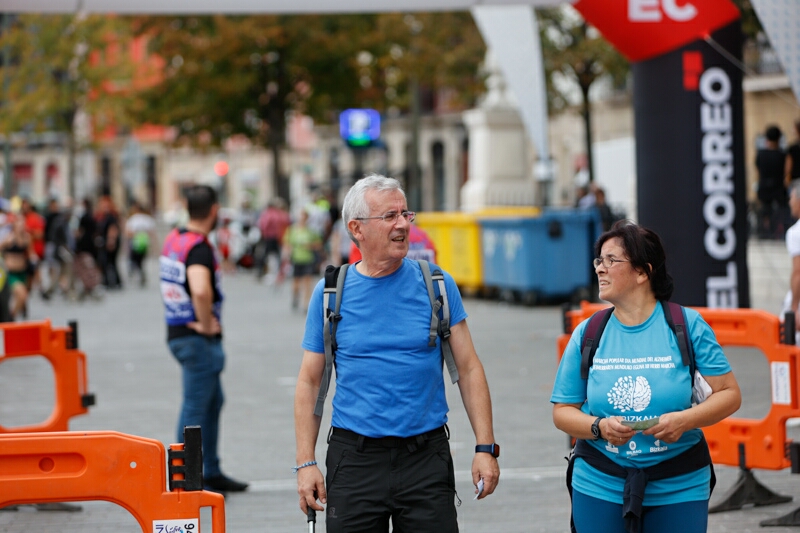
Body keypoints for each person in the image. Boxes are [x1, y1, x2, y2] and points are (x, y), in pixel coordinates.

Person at [294, 174, 500, 532]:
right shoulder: (330, 294)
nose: (403, 224)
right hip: (354, 461)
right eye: (390, 216)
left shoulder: (437, 285)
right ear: (356, 228)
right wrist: (305, 462)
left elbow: (468, 369)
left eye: (406, 214)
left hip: (425, 459)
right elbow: (310, 382)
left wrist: (486, 447)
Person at [551, 220, 742, 533]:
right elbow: (562, 411)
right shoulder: (589, 332)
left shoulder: (687, 325)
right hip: (600, 479)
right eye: (599, 260)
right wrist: (599, 427)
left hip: (680, 481)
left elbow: (729, 394)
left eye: (611, 260)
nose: (600, 268)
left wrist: (685, 421)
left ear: (642, 272)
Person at [159, 185, 248, 494]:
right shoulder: (198, 248)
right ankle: (186, 479)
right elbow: (199, 288)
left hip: (177, 331)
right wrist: (206, 323)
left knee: (211, 401)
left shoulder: (174, 238)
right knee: (195, 408)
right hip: (196, 339)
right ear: (214, 210)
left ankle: (209, 470)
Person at [283, 208, 322, 311]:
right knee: (296, 282)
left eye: (304, 217)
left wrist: (310, 246)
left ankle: (306, 304)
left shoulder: (311, 231)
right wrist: (286, 254)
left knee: (307, 282)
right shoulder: (292, 230)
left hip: (308, 259)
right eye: (301, 216)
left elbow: (318, 245)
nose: (302, 219)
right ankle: (295, 296)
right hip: (296, 258)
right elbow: (287, 243)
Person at [756, 125, 787, 239]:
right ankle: (779, 231)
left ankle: (765, 232)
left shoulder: (761, 154)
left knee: (765, 210)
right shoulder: (782, 155)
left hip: (764, 186)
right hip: (778, 187)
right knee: (781, 210)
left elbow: (758, 170)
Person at [0, 216, 33, 320]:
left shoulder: (26, 237)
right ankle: (11, 317)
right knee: (22, 295)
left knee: (23, 295)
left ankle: (16, 312)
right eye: (18, 223)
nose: (21, 225)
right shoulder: (9, 238)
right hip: (11, 273)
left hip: (23, 272)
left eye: (22, 223)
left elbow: (30, 253)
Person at [255, 197, 291, 282]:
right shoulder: (280, 214)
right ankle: (279, 271)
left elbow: (263, 225)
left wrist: (263, 233)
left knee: (265, 255)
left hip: (269, 237)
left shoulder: (268, 214)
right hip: (278, 237)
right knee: (277, 255)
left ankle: (263, 271)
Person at [782, 180, 800, 339]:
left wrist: (794, 308)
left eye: (792, 198)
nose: (790, 202)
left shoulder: (795, 232)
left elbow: (798, 272)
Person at [125, 202, 157, 287]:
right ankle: (141, 272)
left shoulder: (132, 219)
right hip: (145, 243)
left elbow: (128, 233)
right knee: (141, 260)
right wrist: (154, 246)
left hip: (135, 243)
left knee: (135, 259)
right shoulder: (148, 219)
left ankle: (136, 271)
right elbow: (152, 233)